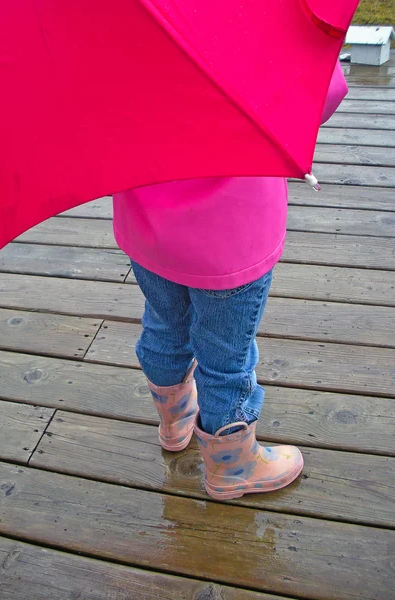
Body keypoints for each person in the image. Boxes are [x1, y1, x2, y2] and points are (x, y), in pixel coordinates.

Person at [112, 62, 348, 501]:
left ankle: (174, 423)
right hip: (232, 233)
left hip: (147, 222)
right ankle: (232, 469)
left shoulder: (120, 28)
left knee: (164, 324)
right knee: (226, 355)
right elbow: (324, 89)